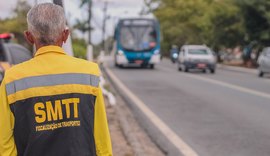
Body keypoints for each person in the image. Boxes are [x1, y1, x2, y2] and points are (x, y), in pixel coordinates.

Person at [0, 3, 112, 156]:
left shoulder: (12, 79)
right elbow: (101, 138)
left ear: (29, 37)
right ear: (65, 35)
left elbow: (4, 143)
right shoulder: (89, 74)